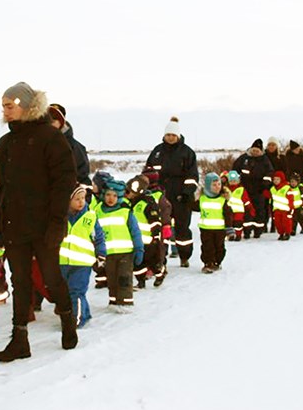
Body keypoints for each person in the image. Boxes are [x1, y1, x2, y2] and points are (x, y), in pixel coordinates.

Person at [0, 82, 78, 362]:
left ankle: (67, 320)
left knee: (51, 277)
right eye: (3, 104)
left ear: (28, 105)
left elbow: (63, 182)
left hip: (44, 225)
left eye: (11, 103)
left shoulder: (50, 138)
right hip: (15, 224)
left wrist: (56, 222)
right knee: (20, 281)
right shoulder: (4, 144)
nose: (6, 108)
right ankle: (19, 340)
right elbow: (1, 187)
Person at [145, 116, 199, 266]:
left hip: (181, 197)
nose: (170, 137)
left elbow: (192, 176)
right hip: (161, 197)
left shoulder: (187, 153)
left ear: (178, 136)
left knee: (182, 229)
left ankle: (184, 256)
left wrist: (187, 192)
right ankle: (160, 258)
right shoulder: (157, 152)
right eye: (168, 135)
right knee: (161, 228)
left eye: (173, 135)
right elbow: (148, 172)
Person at [59, 184, 106, 327]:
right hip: (62, 262)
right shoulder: (60, 217)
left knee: (76, 291)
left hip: (82, 263)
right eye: (77, 199)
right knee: (66, 292)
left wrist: (101, 254)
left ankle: (76, 320)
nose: (81, 202)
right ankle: (84, 312)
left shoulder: (90, 216)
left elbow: (99, 237)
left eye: (83, 198)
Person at [96, 178, 144, 310]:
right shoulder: (97, 212)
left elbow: (135, 232)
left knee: (124, 278)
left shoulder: (125, 212)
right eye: (108, 195)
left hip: (125, 253)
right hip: (108, 254)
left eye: (115, 196)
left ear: (120, 197)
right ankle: (114, 301)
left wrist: (139, 248)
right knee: (111, 279)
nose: (111, 198)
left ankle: (126, 302)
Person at [192, 172, 233, 273]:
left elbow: (228, 215)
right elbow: (193, 206)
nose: (217, 187)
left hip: (220, 229)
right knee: (207, 247)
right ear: (207, 186)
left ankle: (217, 262)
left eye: (219, 184)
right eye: (214, 185)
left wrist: (229, 229)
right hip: (205, 228)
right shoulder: (202, 199)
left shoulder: (222, 200)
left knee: (219, 247)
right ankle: (208, 263)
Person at [232, 139, 273, 239]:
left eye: (257, 151)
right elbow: (234, 170)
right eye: (253, 150)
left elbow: (270, 172)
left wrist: (265, 183)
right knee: (247, 211)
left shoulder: (265, 160)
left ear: (261, 151)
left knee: (259, 211)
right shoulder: (244, 158)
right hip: (245, 190)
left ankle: (258, 230)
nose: (255, 152)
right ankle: (246, 231)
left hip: (259, 190)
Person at [49, 103, 92, 186]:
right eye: (47, 120)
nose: (49, 124)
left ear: (62, 122)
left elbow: (83, 178)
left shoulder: (75, 147)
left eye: (53, 121)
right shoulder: (35, 144)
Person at [226, 170, 254, 241]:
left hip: (239, 210)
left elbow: (246, 199)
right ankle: (231, 235)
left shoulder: (241, 189)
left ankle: (238, 235)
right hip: (229, 211)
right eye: (231, 181)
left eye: (234, 181)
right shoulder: (225, 189)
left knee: (238, 223)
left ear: (238, 181)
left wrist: (250, 207)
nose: (233, 182)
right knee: (229, 224)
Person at [269, 171, 295, 241]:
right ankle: (281, 233)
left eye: (277, 179)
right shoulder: (272, 189)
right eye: (274, 179)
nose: (276, 181)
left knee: (286, 222)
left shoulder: (287, 188)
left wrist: (291, 208)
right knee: (278, 223)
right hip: (276, 209)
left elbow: (291, 199)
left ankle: (287, 233)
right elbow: (271, 198)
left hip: (286, 209)